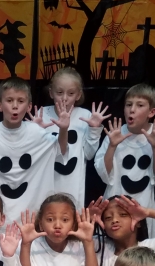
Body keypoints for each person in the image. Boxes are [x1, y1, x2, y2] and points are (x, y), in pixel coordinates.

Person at [0, 77, 71, 226]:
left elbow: (60, 153)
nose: (15, 106)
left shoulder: (38, 134)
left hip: (31, 222)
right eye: (9, 100)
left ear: (29, 106)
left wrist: (63, 130)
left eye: (20, 101)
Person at [94, 84, 155, 237]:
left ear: (151, 112)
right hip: (114, 200)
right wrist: (112, 146)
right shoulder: (117, 132)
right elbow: (105, 174)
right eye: (128, 104)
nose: (132, 109)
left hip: (143, 202)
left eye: (140, 105)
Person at [37, 67, 109, 210]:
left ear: (78, 94)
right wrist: (35, 131)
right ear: (51, 93)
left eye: (70, 93)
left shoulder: (84, 115)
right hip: (46, 182)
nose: (64, 98)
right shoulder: (41, 114)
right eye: (59, 92)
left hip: (73, 184)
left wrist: (94, 129)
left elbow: (89, 154)